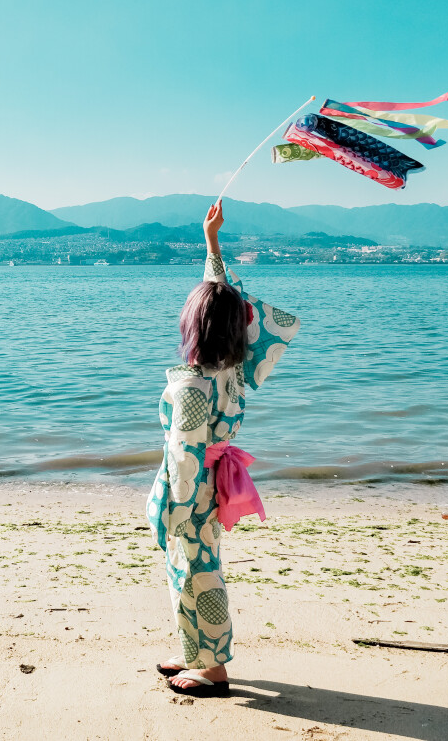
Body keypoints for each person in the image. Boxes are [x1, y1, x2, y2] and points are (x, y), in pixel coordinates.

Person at [146, 200, 301, 698]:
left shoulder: (193, 385)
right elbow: (229, 298)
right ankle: (198, 653)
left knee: (195, 572)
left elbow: (183, 456)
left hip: (192, 490)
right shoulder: (230, 372)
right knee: (197, 568)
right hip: (213, 486)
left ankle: (212, 669)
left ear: (194, 325)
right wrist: (212, 244)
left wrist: (170, 506)